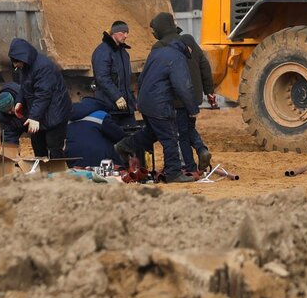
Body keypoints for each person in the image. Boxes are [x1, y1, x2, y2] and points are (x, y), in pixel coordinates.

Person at [115, 13, 202, 182]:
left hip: (147, 102)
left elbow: (141, 78)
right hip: (159, 103)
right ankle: (173, 173)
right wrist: (193, 109)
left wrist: (140, 101)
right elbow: (183, 86)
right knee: (170, 137)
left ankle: (125, 145)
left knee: (153, 132)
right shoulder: (176, 56)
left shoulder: (158, 52)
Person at [9, 38, 73, 161]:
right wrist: (19, 101)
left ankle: (58, 176)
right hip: (40, 113)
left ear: (23, 59)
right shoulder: (26, 67)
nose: (15, 66)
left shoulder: (43, 67)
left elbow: (43, 94)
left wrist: (34, 117)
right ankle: (43, 176)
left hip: (55, 113)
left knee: (54, 148)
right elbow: (24, 86)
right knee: (38, 147)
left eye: (17, 63)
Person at [171, 21, 216, 173]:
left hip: (179, 98)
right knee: (190, 127)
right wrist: (209, 90)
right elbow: (205, 65)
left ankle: (190, 166)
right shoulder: (189, 40)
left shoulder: (169, 48)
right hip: (195, 95)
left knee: (182, 133)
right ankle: (201, 149)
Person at [91, 21, 135, 121]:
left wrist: (132, 101)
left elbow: (126, 81)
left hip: (125, 109)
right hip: (110, 108)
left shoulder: (123, 53)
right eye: (123, 32)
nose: (126, 35)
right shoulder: (103, 51)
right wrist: (117, 97)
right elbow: (102, 78)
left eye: (127, 32)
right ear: (114, 32)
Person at [66, 97, 126, 169]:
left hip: (74, 160)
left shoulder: (70, 117)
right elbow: (120, 136)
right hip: (98, 161)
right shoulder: (101, 115)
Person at [0, 82, 28, 156]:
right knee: (9, 148)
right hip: (19, 122)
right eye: (6, 112)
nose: (9, 113)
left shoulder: (27, 97)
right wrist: (11, 155)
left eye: (10, 109)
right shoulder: (3, 115)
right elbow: (9, 136)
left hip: (35, 120)